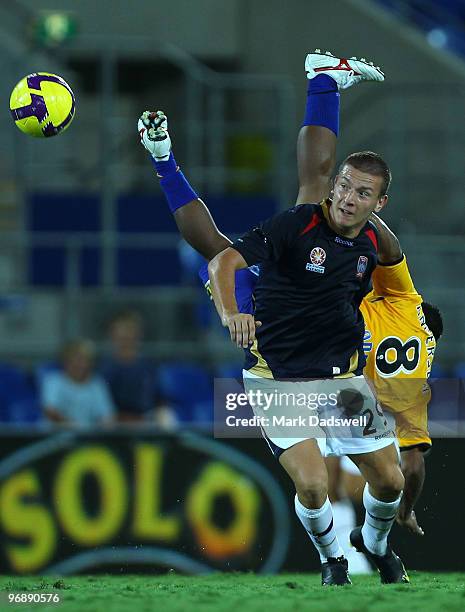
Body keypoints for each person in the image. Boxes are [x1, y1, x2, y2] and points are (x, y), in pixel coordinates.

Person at [137, 51, 409, 586]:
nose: (349, 198)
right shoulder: (298, 227)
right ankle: (333, 562)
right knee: (311, 486)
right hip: (278, 375)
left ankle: (374, 546)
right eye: (348, 188)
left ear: (378, 202)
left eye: (363, 194)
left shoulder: (371, 237)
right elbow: (220, 257)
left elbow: (391, 269)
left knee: (390, 482)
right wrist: (233, 311)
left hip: (341, 378)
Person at [100, 310, 176, 427]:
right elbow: (100, 403)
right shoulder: (104, 367)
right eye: (121, 331)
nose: (126, 336)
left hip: (145, 420)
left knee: (166, 415)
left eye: (130, 331)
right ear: (113, 334)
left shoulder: (149, 367)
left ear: (138, 334)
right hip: (114, 421)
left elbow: (160, 400)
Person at [42, 338, 115, 427]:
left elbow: (107, 415)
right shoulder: (53, 381)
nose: (80, 364)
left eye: (85, 360)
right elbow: (50, 411)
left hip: (89, 437)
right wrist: (70, 424)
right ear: (65, 361)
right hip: (57, 436)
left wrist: (106, 425)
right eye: (75, 359)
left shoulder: (97, 383)